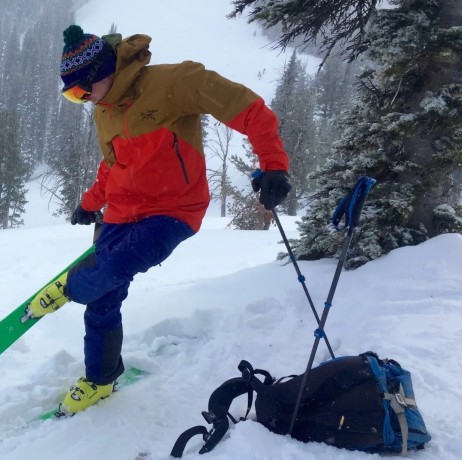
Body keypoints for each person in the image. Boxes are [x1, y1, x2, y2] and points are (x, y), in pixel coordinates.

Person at [24, 25, 292, 415]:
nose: (81, 100)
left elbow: (247, 108)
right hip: (121, 213)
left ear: (103, 73)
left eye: (80, 90)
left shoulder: (174, 82)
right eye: (72, 95)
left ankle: (69, 287)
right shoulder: (102, 111)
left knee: (115, 265)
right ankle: (100, 379)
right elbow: (112, 166)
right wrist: (89, 203)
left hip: (173, 211)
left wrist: (273, 165)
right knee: (102, 299)